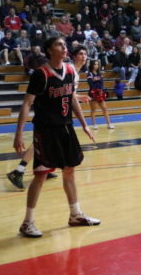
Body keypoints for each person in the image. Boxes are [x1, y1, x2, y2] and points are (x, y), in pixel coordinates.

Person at [12, 36, 98, 238]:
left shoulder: (70, 71)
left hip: (66, 128)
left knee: (69, 170)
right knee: (41, 174)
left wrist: (84, 124)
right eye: (59, 44)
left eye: (65, 45)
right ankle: (27, 222)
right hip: (45, 129)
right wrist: (18, 133)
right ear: (50, 50)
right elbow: (26, 103)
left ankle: (75, 214)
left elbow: (71, 99)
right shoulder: (41, 74)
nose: (64, 48)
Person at [7, 47, 87, 190]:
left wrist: (79, 97)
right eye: (81, 54)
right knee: (42, 141)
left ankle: (46, 165)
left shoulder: (73, 72)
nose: (84, 56)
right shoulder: (69, 70)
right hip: (51, 113)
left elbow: (68, 94)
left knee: (44, 143)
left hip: (59, 114)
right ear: (73, 56)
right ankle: (19, 170)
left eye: (85, 54)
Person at [86, 59, 115, 131]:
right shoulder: (89, 74)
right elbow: (90, 84)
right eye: (95, 64)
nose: (96, 66)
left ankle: (109, 124)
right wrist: (96, 91)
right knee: (93, 110)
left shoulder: (100, 73)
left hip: (100, 93)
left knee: (105, 108)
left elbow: (102, 83)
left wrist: (101, 91)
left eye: (97, 64)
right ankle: (94, 124)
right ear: (92, 65)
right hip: (93, 93)